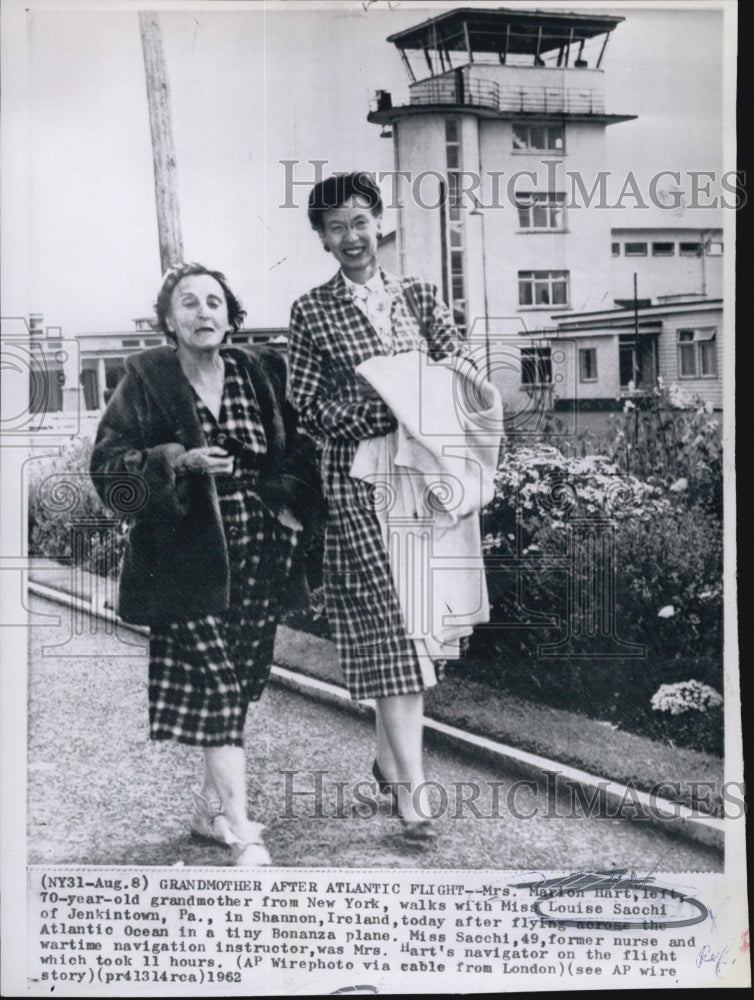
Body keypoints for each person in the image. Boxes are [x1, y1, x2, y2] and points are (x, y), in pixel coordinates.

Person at [90, 262, 321, 866]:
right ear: (169, 320)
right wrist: (177, 462)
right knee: (219, 687)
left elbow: (297, 451)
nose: (203, 313)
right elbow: (108, 468)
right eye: (188, 303)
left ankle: (207, 810)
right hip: (184, 561)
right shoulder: (146, 378)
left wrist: (288, 506)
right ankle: (243, 831)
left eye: (214, 302)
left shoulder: (258, 370)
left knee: (237, 686)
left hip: (261, 554)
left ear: (230, 314)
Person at [287, 172, 481, 843]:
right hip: (356, 487)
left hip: (421, 482)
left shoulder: (420, 295)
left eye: (360, 222)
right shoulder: (311, 311)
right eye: (335, 227)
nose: (351, 237)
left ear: (379, 224)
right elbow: (309, 406)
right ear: (322, 238)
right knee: (395, 629)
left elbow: (457, 369)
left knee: (417, 626)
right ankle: (413, 794)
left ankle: (387, 761)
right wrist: (387, 407)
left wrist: (436, 395)